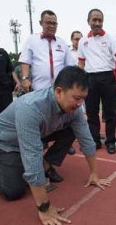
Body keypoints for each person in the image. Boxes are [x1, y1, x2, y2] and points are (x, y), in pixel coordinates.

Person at [0, 66, 110, 225]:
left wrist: (94, 173)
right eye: (76, 98)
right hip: (7, 140)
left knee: (71, 130)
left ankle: (46, 165)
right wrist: (45, 209)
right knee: (13, 190)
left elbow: (86, 139)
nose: (79, 104)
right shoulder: (30, 108)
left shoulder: (74, 107)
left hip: (39, 132)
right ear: (59, 92)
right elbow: (31, 158)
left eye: (83, 99)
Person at [19, 10, 76, 176]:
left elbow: (70, 67)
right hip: (38, 94)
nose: (51, 26)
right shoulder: (31, 40)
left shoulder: (63, 43)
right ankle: (34, 170)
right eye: (48, 23)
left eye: (54, 23)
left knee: (69, 128)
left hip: (59, 96)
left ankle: (48, 163)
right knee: (36, 131)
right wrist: (25, 78)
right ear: (41, 23)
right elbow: (25, 61)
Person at [78, 8, 116, 154]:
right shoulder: (83, 41)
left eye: (100, 20)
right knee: (92, 113)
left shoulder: (111, 38)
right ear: (88, 21)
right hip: (90, 79)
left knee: (110, 112)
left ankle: (111, 141)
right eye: (94, 20)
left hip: (107, 78)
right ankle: (95, 141)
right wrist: (79, 81)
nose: (97, 23)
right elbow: (81, 63)